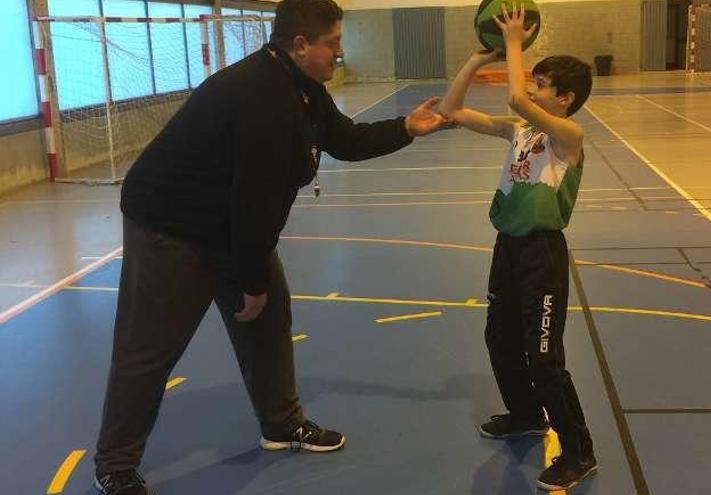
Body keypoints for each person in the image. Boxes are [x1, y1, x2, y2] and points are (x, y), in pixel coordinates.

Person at [92, 1, 448, 493]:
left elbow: (344, 140)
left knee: (269, 323)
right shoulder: (263, 95)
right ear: (300, 45)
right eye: (333, 44)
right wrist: (250, 282)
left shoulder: (302, 87)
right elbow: (253, 201)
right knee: (149, 349)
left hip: (226, 223)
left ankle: (281, 425)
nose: (339, 53)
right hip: (171, 229)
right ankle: (114, 464)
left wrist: (406, 128)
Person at [437, 3, 597, 491]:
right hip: (507, 248)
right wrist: (475, 59)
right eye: (534, 80)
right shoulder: (521, 133)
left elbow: (514, 100)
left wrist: (513, 43)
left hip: (542, 254)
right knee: (499, 339)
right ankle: (526, 413)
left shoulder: (569, 136)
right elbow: (450, 110)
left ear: (564, 99)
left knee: (544, 357)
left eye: (543, 85)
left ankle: (579, 451)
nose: (533, 88)